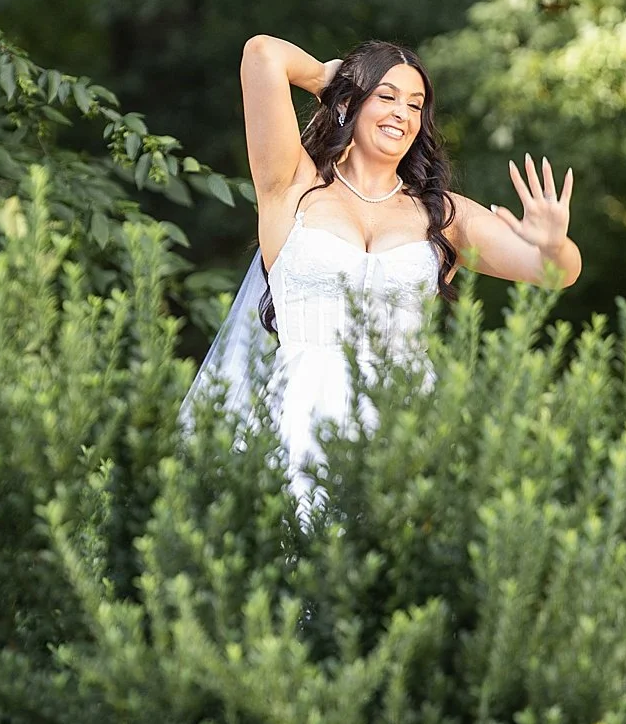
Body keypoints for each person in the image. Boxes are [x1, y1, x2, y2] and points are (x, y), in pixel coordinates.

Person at [184, 35, 582, 517]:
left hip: (407, 415)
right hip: (299, 413)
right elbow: (262, 53)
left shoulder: (443, 213)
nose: (403, 113)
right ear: (352, 103)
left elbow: (555, 273)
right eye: (387, 96)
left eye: (415, 105)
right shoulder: (292, 184)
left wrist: (552, 241)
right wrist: (331, 81)